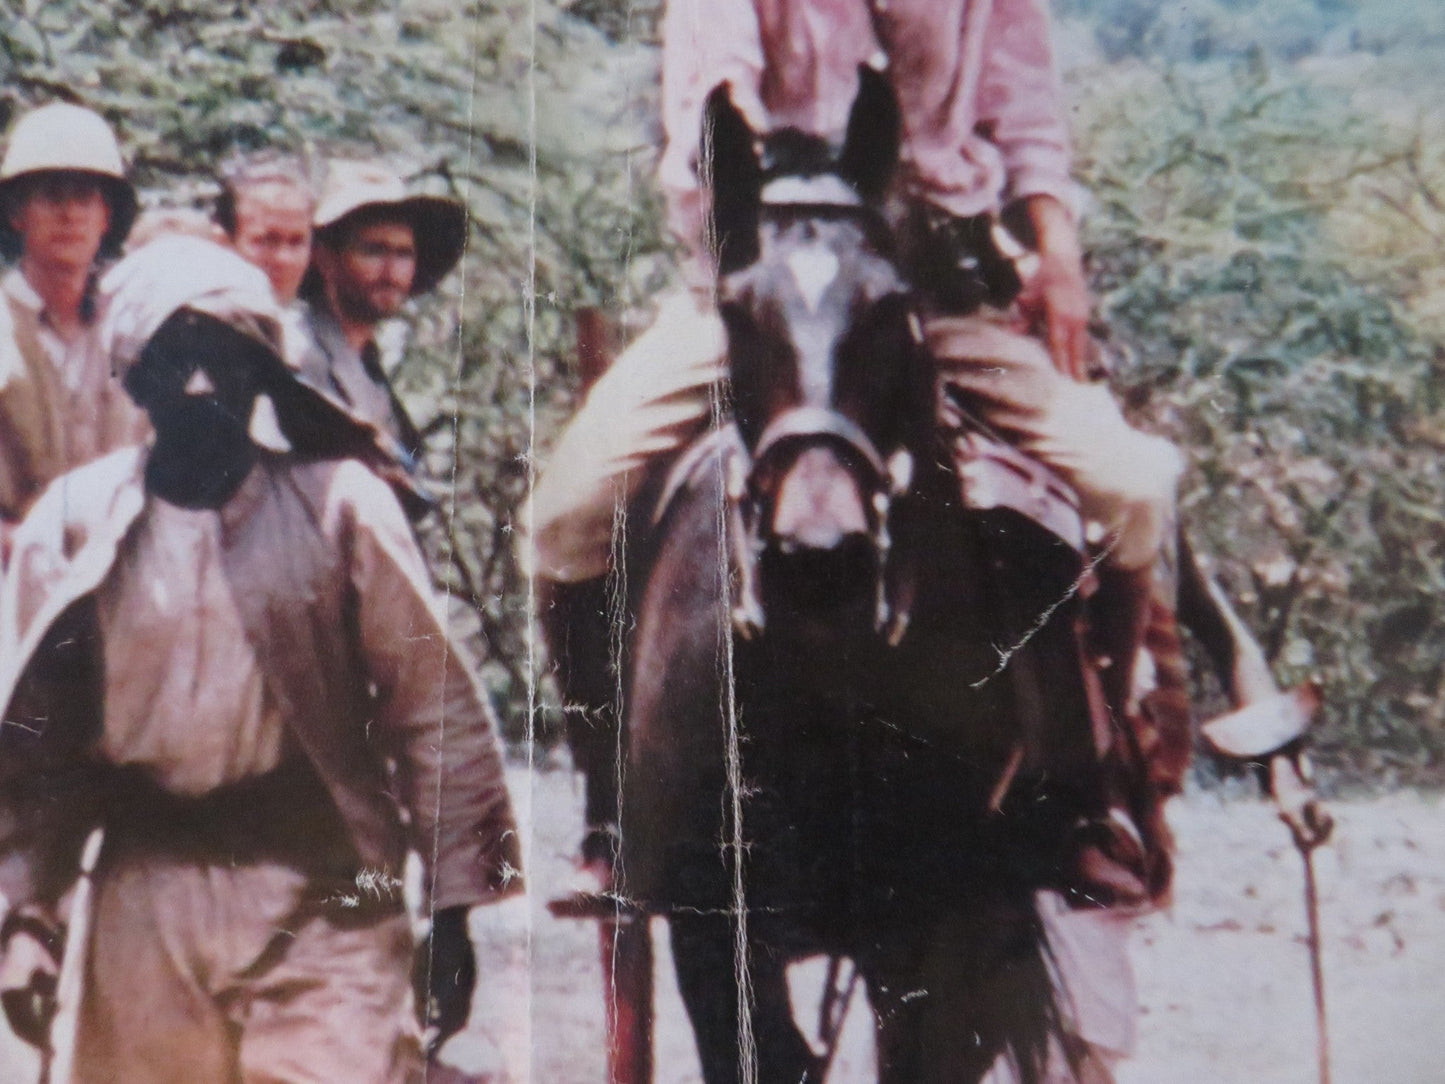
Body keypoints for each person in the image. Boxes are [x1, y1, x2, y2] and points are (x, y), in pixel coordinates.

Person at [0, 237, 521, 1082]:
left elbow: (431, 706)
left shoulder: (341, 507)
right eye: (177, 359)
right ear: (133, 376)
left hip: (323, 887)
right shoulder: (74, 523)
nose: (202, 385)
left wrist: (458, 911)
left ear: (265, 372)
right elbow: (37, 750)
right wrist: (29, 920)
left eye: (228, 357)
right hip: (146, 898)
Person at [0, 101, 148, 526]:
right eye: (51, 197)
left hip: (121, 563)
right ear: (16, 214)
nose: (69, 214)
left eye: (84, 198)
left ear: (106, 216)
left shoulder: (135, 327)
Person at [300, 159, 467, 464]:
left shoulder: (371, 370)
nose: (391, 272)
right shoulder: (296, 350)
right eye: (373, 250)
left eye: (404, 254)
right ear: (325, 259)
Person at [215, 152, 316, 306]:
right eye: (267, 241)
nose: (284, 259)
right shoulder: (191, 325)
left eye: (296, 242)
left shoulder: (311, 328)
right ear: (223, 244)